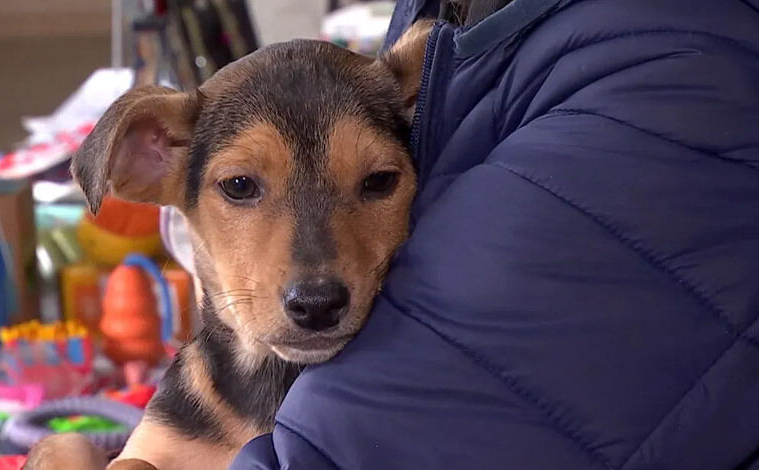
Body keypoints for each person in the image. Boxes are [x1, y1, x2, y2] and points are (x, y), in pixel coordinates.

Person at [229, 0, 759, 468]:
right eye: (239, 187)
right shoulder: (457, 21)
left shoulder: (671, 64)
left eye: (379, 182)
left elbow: (363, 444)